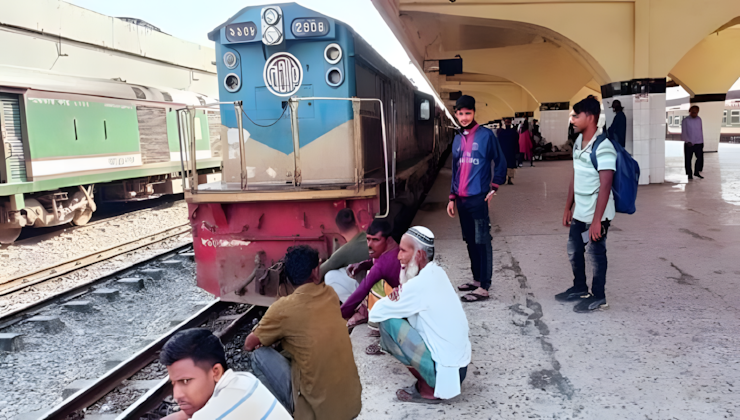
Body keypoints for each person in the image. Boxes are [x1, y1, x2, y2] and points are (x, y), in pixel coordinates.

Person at [244, 245, 362, 420]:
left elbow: (249, 344)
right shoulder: (329, 293)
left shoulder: (283, 309)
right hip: (352, 405)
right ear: (315, 272)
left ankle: (285, 414)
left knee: (258, 354)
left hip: (318, 414)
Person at [368, 227, 471, 403]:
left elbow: (376, 314)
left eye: (403, 251)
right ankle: (429, 381)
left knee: (388, 322)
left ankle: (428, 390)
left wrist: (394, 298)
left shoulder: (418, 285)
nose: (398, 256)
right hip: (458, 369)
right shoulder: (437, 273)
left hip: (443, 375)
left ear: (420, 255)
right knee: (399, 313)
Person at [556, 95, 616, 313]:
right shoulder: (579, 144)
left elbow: (606, 184)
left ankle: (599, 296)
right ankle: (580, 288)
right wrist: (567, 207)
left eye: (576, 115)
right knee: (574, 250)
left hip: (597, 215)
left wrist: (597, 221)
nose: (572, 119)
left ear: (590, 118)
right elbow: (576, 176)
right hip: (580, 213)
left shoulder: (604, 147)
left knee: (596, 255)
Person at [447, 95, 506, 302]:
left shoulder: (486, 136)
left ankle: (485, 287)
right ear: (456, 114)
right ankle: (477, 280)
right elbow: (455, 169)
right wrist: (451, 197)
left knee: (482, 241)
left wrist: (495, 186)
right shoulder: (456, 138)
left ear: (474, 113)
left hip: (478, 198)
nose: (464, 117)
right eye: (461, 114)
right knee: (470, 240)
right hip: (461, 200)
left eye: (468, 113)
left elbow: (500, 161)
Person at [160, 328, 291, 420]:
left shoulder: (213, 415)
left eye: (186, 381)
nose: (177, 395)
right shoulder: (244, 380)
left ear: (216, 372)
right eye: (174, 384)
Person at [340, 219, 401, 327]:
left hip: (397, 302)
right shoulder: (392, 247)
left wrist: (341, 313)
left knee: (371, 282)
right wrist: (363, 264)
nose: (370, 245)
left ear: (388, 240)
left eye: (375, 240)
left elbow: (363, 289)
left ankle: (364, 312)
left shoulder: (384, 263)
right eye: (368, 239)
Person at [320, 208, 370, 303]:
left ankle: (357, 306)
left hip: (368, 288)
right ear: (356, 222)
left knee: (330, 276)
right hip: (383, 283)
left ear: (340, 232)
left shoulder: (346, 250)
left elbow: (321, 271)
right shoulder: (370, 236)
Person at [682, 105, 704, 180]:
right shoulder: (686, 120)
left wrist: (701, 141)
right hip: (689, 143)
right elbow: (684, 132)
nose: (694, 114)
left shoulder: (699, 119)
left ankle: (696, 172)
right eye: (693, 112)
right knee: (688, 159)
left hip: (699, 142)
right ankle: (689, 174)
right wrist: (687, 141)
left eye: (696, 112)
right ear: (690, 112)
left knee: (700, 158)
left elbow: (700, 131)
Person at [497, 117, 519, 185]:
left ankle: (506, 178)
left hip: (505, 151)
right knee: (510, 165)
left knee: (505, 165)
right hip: (509, 151)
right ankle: (508, 179)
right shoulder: (513, 132)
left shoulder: (501, 132)